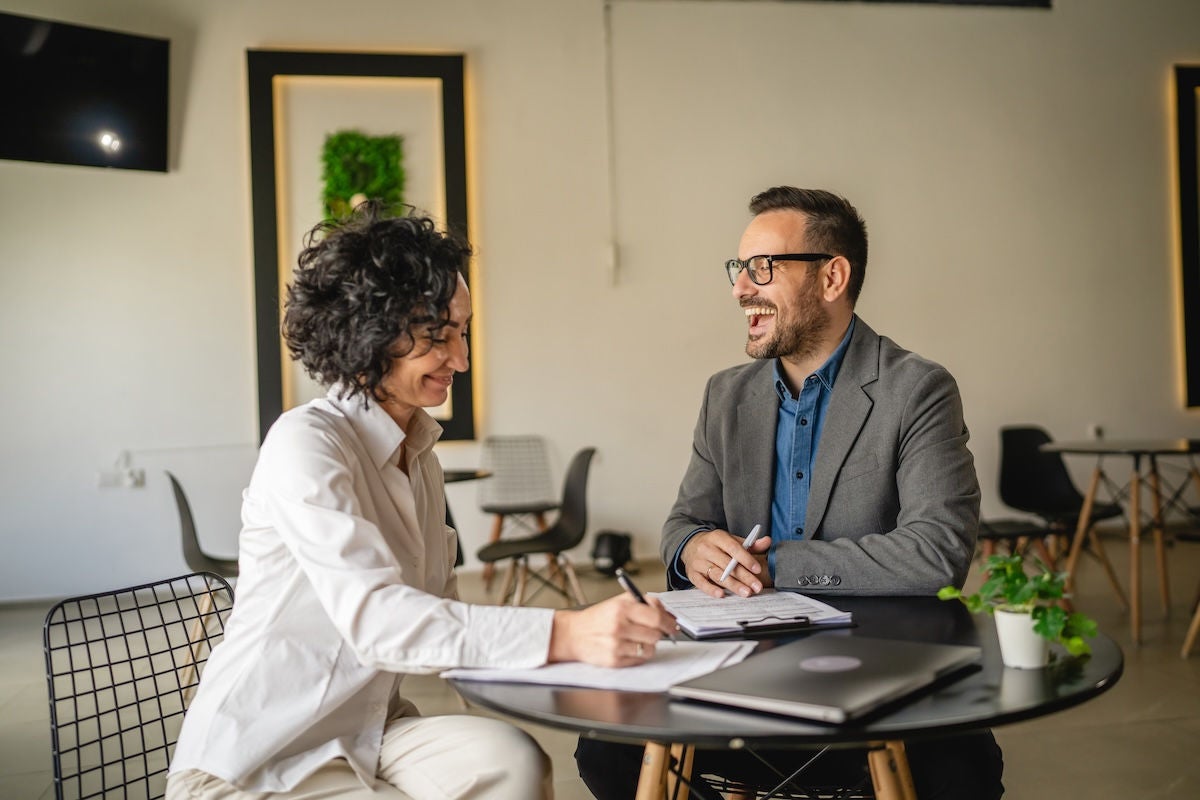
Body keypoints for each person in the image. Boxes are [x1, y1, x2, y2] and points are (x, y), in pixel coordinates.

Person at [167, 203, 677, 800]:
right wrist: (567, 632)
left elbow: (445, 620)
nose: (460, 358)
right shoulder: (305, 442)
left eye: (462, 332)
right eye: (438, 336)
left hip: (374, 734)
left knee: (511, 760)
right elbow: (381, 622)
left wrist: (598, 657)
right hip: (260, 758)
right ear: (367, 335)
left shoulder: (422, 457)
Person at [576, 186, 1003, 799]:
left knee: (962, 776)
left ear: (832, 277)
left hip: (879, 674)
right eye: (737, 269)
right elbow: (683, 522)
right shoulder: (726, 395)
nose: (739, 288)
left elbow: (936, 554)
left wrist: (770, 566)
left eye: (762, 268)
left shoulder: (917, 390)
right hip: (743, 671)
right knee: (607, 751)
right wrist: (694, 549)